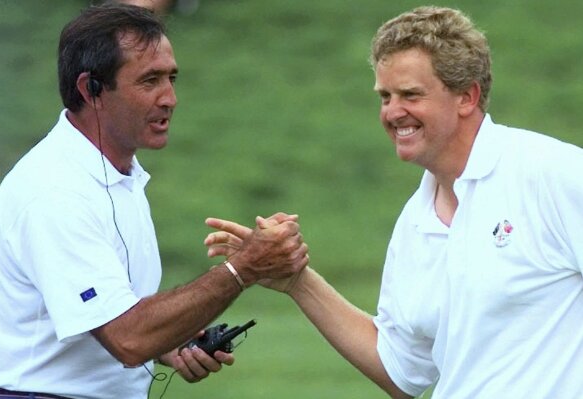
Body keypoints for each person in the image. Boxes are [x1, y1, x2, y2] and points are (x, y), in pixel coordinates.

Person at [203, 6, 583, 399]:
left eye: (410, 95)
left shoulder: (552, 174)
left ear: (466, 97)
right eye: (385, 96)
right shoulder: (415, 219)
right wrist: (297, 281)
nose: (392, 112)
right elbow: (401, 369)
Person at [0, 4, 308, 399]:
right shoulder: (55, 190)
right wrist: (242, 267)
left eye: (171, 78)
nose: (170, 98)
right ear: (92, 90)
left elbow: (113, 322)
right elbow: (129, 338)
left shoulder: (116, 173)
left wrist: (169, 343)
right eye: (149, 80)